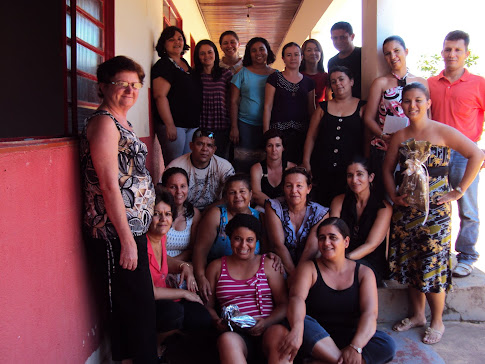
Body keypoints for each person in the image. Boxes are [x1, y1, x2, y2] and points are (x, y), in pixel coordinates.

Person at [383, 82, 483, 345]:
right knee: (413, 263)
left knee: (433, 265)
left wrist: (458, 192)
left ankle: (437, 319)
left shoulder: (443, 132)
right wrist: (394, 195)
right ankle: (417, 315)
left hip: (436, 213)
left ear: (428, 103)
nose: (412, 106)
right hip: (406, 213)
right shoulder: (400, 135)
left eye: (418, 100)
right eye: (407, 101)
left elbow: (475, 154)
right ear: (401, 105)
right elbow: (386, 169)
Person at [80, 56, 157, 363]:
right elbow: (109, 186)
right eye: (121, 84)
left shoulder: (122, 121)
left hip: (131, 231)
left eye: (135, 84)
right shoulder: (103, 123)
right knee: (131, 311)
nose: (129, 90)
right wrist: (126, 240)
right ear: (102, 87)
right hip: (114, 233)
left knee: (141, 308)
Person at [272, 218, 396, 364]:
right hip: (315, 337)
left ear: (346, 242)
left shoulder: (364, 273)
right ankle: (340, 360)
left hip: (349, 336)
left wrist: (355, 346)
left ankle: (322, 361)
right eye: (322, 238)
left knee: (386, 344)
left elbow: (370, 314)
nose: (326, 243)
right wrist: (298, 329)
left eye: (333, 237)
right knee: (300, 321)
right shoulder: (309, 268)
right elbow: (296, 298)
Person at [428, 30, 485, 278]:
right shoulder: (429, 84)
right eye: (448, 49)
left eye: (457, 50)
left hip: (465, 155)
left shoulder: (479, 84)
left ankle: (467, 256)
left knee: (467, 208)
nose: (452, 54)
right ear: (442, 52)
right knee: (436, 206)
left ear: (466, 54)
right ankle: (438, 252)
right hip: (436, 156)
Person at [205, 214, 288, 364]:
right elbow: (208, 306)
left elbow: (284, 304)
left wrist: (267, 322)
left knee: (280, 333)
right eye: (237, 239)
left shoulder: (269, 264)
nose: (243, 245)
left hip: (268, 328)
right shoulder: (216, 267)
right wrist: (217, 321)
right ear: (230, 238)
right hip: (235, 334)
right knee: (227, 340)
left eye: (249, 240)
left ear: (257, 241)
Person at [146, 186, 212, 359]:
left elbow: (164, 260)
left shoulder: (161, 237)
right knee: (174, 313)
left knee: (202, 318)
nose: (162, 219)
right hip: (149, 303)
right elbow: (150, 291)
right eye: (156, 214)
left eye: (167, 214)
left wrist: (184, 267)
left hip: (168, 297)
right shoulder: (141, 244)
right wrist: (184, 293)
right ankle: (154, 347)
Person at [364, 36, 427, 197]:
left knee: (412, 196)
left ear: (406, 52)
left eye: (396, 51)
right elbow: (368, 118)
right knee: (385, 197)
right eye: (387, 53)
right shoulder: (381, 82)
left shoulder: (421, 82)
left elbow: (428, 118)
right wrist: (383, 136)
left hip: (412, 150)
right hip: (385, 147)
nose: (393, 56)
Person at [302, 66, 366, 207]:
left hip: (350, 171)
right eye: (333, 81)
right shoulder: (322, 107)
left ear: (351, 81)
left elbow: (367, 140)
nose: (338, 84)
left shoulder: (362, 107)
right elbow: (311, 136)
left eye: (341, 79)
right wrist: (306, 162)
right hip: (322, 168)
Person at [193, 174, 263, 302]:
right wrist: (201, 277)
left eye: (242, 191)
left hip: (250, 278)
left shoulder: (260, 217)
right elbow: (200, 250)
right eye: (232, 192)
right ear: (226, 196)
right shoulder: (216, 215)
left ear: (251, 194)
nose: (238, 196)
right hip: (218, 277)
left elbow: (267, 251)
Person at [330, 156, 392, 285]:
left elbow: (371, 244)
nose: (354, 180)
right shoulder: (339, 201)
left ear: (371, 177)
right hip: (339, 257)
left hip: (370, 262)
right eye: (350, 175)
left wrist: (345, 260)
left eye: (360, 174)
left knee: (352, 273)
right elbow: (332, 234)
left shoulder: (383, 207)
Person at [265, 167, 329, 276]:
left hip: (308, 264)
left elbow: (311, 249)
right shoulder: (273, 206)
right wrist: (294, 275)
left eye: (299, 186)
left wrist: (299, 276)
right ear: (283, 188)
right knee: (271, 264)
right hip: (281, 262)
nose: (294, 191)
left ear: (308, 188)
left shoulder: (320, 213)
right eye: (289, 186)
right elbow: (278, 245)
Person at [151, 26, 201, 165]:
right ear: (164, 44)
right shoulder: (163, 65)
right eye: (171, 39)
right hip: (175, 126)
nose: (177, 42)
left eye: (180, 39)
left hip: (191, 125)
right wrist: (169, 124)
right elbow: (160, 96)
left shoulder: (184, 64)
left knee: (188, 164)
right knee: (175, 165)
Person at [263, 42, 316, 164]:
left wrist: (313, 134)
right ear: (283, 58)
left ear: (302, 57)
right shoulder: (274, 78)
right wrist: (266, 134)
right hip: (278, 134)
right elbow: (267, 106)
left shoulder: (309, 82)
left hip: (302, 133)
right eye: (289, 55)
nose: (293, 58)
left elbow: (311, 109)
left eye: (296, 55)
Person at [230, 37, 276, 173]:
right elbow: (233, 101)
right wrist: (234, 127)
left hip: (269, 125)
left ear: (268, 51)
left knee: (266, 161)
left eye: (262, 49)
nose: (258, 53)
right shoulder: (241, 73)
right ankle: (243, 191)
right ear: (249, 54)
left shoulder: (276, 75)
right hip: (245, 125)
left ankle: (260, 192)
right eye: (253, 50)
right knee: (244, 162)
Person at [165, 128, 235, 210]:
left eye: (209, 145)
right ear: (191, 146)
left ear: (214, 150)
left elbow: (234, 192)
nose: (204, 149)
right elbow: (162, 192)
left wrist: (208, 211)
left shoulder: (224, 166)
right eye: (200, 144)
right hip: (184, 211)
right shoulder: (176, 166)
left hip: (214, 211)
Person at [193, 39, 233, 160]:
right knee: (202, 159)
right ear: (198, 56)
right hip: (201, 125)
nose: (207, 56)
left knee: (221, 159)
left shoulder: (226, 74)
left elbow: (232, 100)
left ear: (215, 54)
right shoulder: (194, 75)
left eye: (210, 52)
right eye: (202, 53)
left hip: (222, 125)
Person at [160, 167, 201, 283]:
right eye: (173, 187)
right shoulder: (157, 213)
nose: (179, 191)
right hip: (158, 265)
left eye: (183, 186)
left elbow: (192, 249)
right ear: (164, 188)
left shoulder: (194, 214)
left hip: (182, 267)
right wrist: (165, 267)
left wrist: (174, 265)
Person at [250, 129, 296, 209]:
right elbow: (256, 194)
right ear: (265, 148)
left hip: (286, 207)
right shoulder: (257, 168)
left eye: (278, 145)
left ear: (283, 148)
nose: (274, 150)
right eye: (270, 145)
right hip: (264, 206)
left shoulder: (292, 167)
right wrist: (274, 207)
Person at [327, 21, 362, 98]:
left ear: (352, 36)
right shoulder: (332, 62)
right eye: (335, 38)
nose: (338, 41)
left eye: (343, 37)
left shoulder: (363, 54)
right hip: (341, 107)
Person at [300, 38, 331, 104]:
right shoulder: (298, 76)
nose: (313, 53)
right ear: (303, 55)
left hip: (320, 112)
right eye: (309, 50)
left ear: (321, 54)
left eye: (316, 50)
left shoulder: (326, 76)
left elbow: (329, 100)